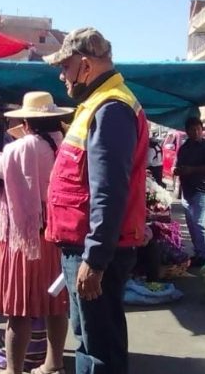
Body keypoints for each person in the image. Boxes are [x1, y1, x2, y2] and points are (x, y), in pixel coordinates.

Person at [43, 27, 148, 374]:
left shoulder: (111, 108)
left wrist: (96, 259)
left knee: (100, 348)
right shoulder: (99, 105)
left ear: (85, 65)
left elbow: (109, 190)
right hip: (85, 246)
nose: (62, 76)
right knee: (88, 341)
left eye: (65, 67)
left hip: (93, 249)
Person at [0, 92, 72, 374]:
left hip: (23, 240)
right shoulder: (68, 145)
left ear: (27, 122)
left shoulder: (21, 148)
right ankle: (53, 364)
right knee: (55, 305)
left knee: (19, 311)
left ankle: (13, 369)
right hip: (57, 237)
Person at [175, 117, 205, 267]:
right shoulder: (184, 147)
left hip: (203, 190)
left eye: (198, 129)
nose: (195, 132)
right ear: (187, 131)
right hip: (187, 190)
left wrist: (192, 170)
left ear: (202, 130)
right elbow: (179, 166)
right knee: (191, 224)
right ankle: (198, 252)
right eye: (192, 129)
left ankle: (204, 255)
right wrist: (179, 171)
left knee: (199, 223)